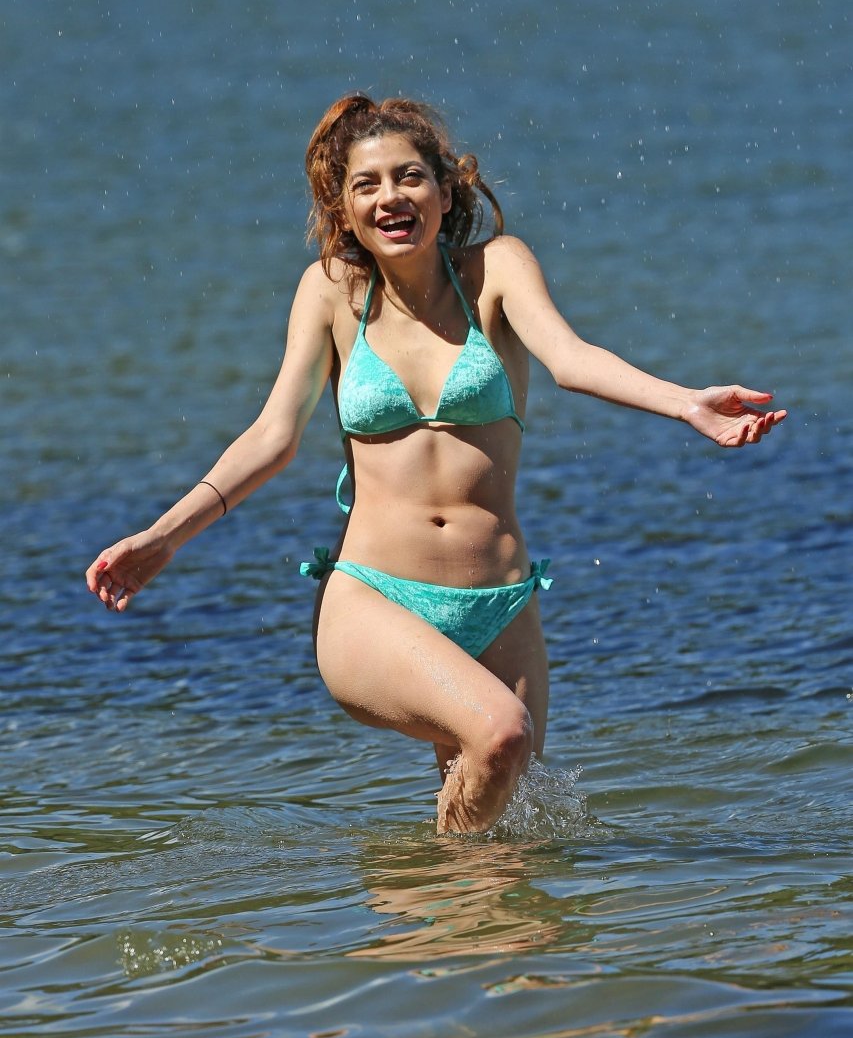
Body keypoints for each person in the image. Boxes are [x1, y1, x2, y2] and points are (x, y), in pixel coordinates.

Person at [86, 93, 786, 834]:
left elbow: (572, 360)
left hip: (501, 603)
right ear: (345, 210)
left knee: (501, 855)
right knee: (501, 733)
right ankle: (430, 878)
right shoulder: (331, 293)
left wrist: (686, 403)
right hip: (375, 598)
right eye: (367, 184)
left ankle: (425, 902)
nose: (390, 196)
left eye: (410, 176)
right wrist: (164, 536)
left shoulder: (497, 269)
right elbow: (272, 437)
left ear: (446, 193)